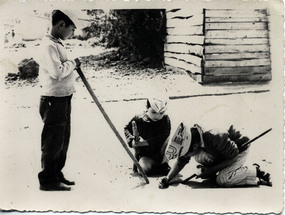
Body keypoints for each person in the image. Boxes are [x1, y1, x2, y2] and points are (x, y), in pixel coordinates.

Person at [38, 10, 82, 191]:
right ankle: (47, 180)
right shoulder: (48, 45)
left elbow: (63, 70)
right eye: (71, 29)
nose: (72, 33)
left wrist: (71, 66)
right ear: (60, 24)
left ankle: (56, 173)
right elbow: (57, 72)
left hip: (63, 98)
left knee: (63, 139)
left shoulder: (57, 43)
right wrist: (73, 63)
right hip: (53, 100)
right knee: (53, 141)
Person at [159, 123, 272, 189]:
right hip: (220, 151)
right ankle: (219, 171)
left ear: (194, 146)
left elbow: (233, 157)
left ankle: (256, 171)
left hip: (238, 151)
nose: (185, 157)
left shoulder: (215, 136)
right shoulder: (192, 138)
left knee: (223, 179)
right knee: (199, 157)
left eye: (187, 154)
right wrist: (168, 178)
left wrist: (211, 170)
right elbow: (181, 161)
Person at [124, 96, 171, 176]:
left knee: (170, 138)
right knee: (143, 169)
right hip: (145, 155)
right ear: (147, 108)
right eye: (153, 112)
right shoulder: (138, 119)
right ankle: (155, 167)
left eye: (161, 113)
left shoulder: (165, 119)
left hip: (161, 153)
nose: (157, 116)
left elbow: (164, 136)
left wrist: (145, 142)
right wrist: (132, 141)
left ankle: (164, 164)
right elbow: (127, 129)